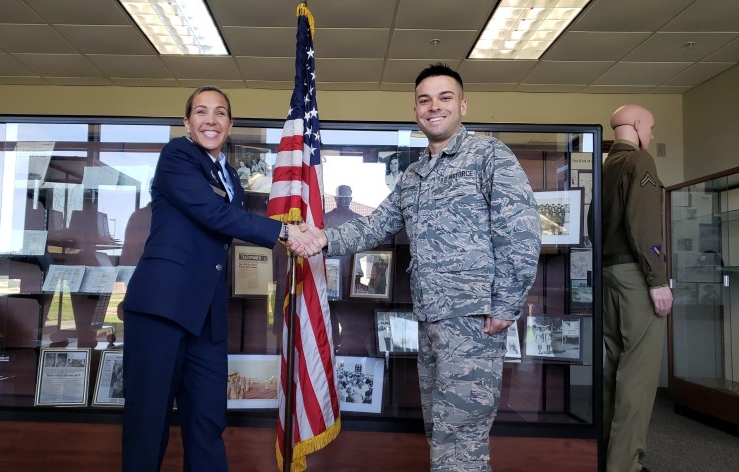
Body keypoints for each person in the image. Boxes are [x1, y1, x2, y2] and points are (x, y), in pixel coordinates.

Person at [293, 63, 541, 472]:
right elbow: (375, 224)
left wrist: (505, 304)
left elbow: (521, 231)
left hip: (472, 319)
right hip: (429, 317)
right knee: (440, 428)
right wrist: (322, 238)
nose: (434, 107)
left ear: (462, 106)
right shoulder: (414, 175)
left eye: (445, 98)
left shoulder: (489, 156)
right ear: (416, 112)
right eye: (425, 100)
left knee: (463, 436)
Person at [120, 86, 318, 472]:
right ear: (187, 123)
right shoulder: (177, 155)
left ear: (230, 125)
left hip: (207, 317)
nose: (211, 120)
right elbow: (213, 214)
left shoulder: (229, 175)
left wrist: (297, 227)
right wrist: (284, 232)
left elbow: (227, 223)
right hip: (162, 308)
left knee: (208, 421)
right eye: (201, 112)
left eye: (220, 113)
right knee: (149, 422)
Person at [599, 104, 672, 472]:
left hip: (607, 273)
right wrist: (657, 280)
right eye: (652, 126)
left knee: (612, 369)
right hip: (635, 275)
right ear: (639, 124)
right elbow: (643, 224)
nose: (652, 134)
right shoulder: (639, 161)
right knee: (638, 374)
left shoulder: (605, 166)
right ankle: (625, 465)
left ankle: (607, 456)